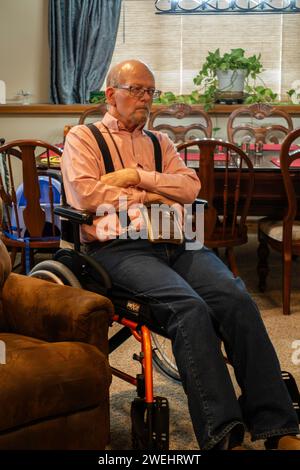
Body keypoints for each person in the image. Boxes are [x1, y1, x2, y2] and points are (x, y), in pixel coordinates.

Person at [62, 59, 300, 450]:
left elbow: (190, 188)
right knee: (189, 308)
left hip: (178, 240)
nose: (144, 99)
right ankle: (224, 434)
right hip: (119, 247)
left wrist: (137, 178)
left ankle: (278, 425)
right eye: (136, 90)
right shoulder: (85, 139)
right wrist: (156, 193)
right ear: (111, 94)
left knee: (237, 299)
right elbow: (88, 195)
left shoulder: (161, 142)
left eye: (150, 92)